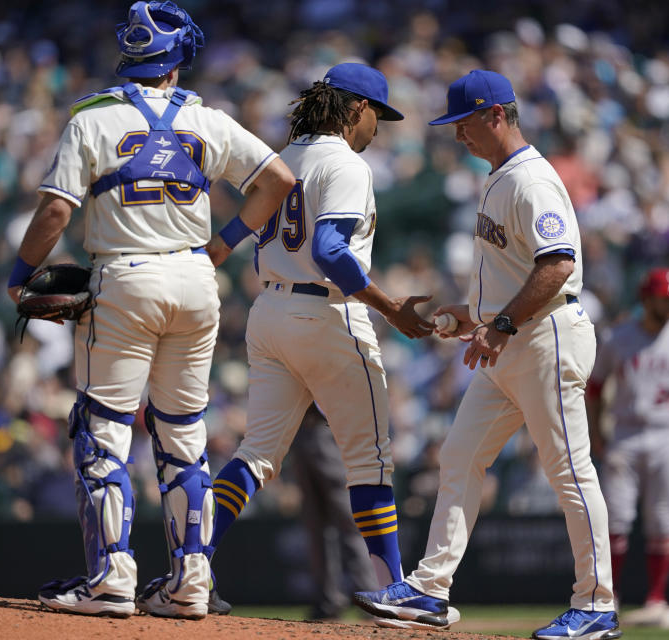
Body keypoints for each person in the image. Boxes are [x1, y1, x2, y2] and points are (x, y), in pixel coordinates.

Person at [6, 0, 294, 620]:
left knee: (104, 431)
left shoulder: (93, 118)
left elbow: (57, 211)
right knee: (184, 436)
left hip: (125, 276)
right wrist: (223, 244)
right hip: (195, 278)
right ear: (178, 62)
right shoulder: (207, 120)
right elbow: (278, 181)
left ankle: (111, 577)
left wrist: (18, 273)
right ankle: (192, 581)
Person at [353, 69, 621, 639]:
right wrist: (471, 317)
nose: (458, 136)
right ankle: (430, 590)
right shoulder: (500, 178)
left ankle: (597, 604)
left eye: (464, 123)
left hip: (546, 337)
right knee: (459, 457)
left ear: (495, 115)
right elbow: (514, 273)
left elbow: (558, 265)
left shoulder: (531, 181)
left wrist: (500, 323)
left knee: (570, 471)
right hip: (511, 342)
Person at [204, 62, 434, 606]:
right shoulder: (346, 164)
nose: (379, 125)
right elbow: (331, 250)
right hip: (328, 315)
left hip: (270, 312)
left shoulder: (282, 158)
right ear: (356, 109)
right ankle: (394, 590)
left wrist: (220, 248)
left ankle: (192, 563)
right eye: (377, 112)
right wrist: (389, 307)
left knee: (257, 452)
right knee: (370, 461)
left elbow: (254, 225)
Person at [586, 268, 669, 621]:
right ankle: (609, 597)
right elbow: (595, 388)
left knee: (663, 519)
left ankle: (656, 597)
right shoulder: (619, 336)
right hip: (626, 431)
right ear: (646, 298)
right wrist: (596, 433)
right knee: (614, 517)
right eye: (666, 298)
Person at [290, 404, 378, 620]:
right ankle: (328, 600)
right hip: (300, 432)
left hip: (329, 428)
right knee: (316, 526)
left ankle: (372, 598)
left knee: (350, 521)